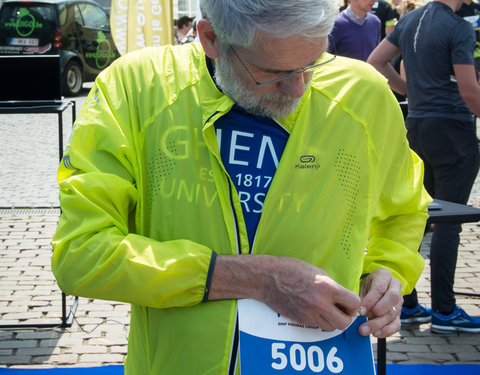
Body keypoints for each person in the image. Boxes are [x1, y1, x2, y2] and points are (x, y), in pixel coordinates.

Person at [51, 0, 430, 373]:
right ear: (211, 38)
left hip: (324, 361)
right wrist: (256, 279)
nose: (298, 89)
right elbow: (81, 254)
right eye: (273, 72)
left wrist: (386, 272)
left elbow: (404, 210)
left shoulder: (363, 97)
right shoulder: (136, 89)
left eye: (313, 63)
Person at [368, 0, 480, 333]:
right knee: (450, 220)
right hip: (452, 129)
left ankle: (408, 302)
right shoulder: (459, 27)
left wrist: (411, 92)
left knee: (414, 217)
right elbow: (468, 90)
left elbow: (375, 61)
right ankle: (445, 311)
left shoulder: (410, 18)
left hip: (417, 125)